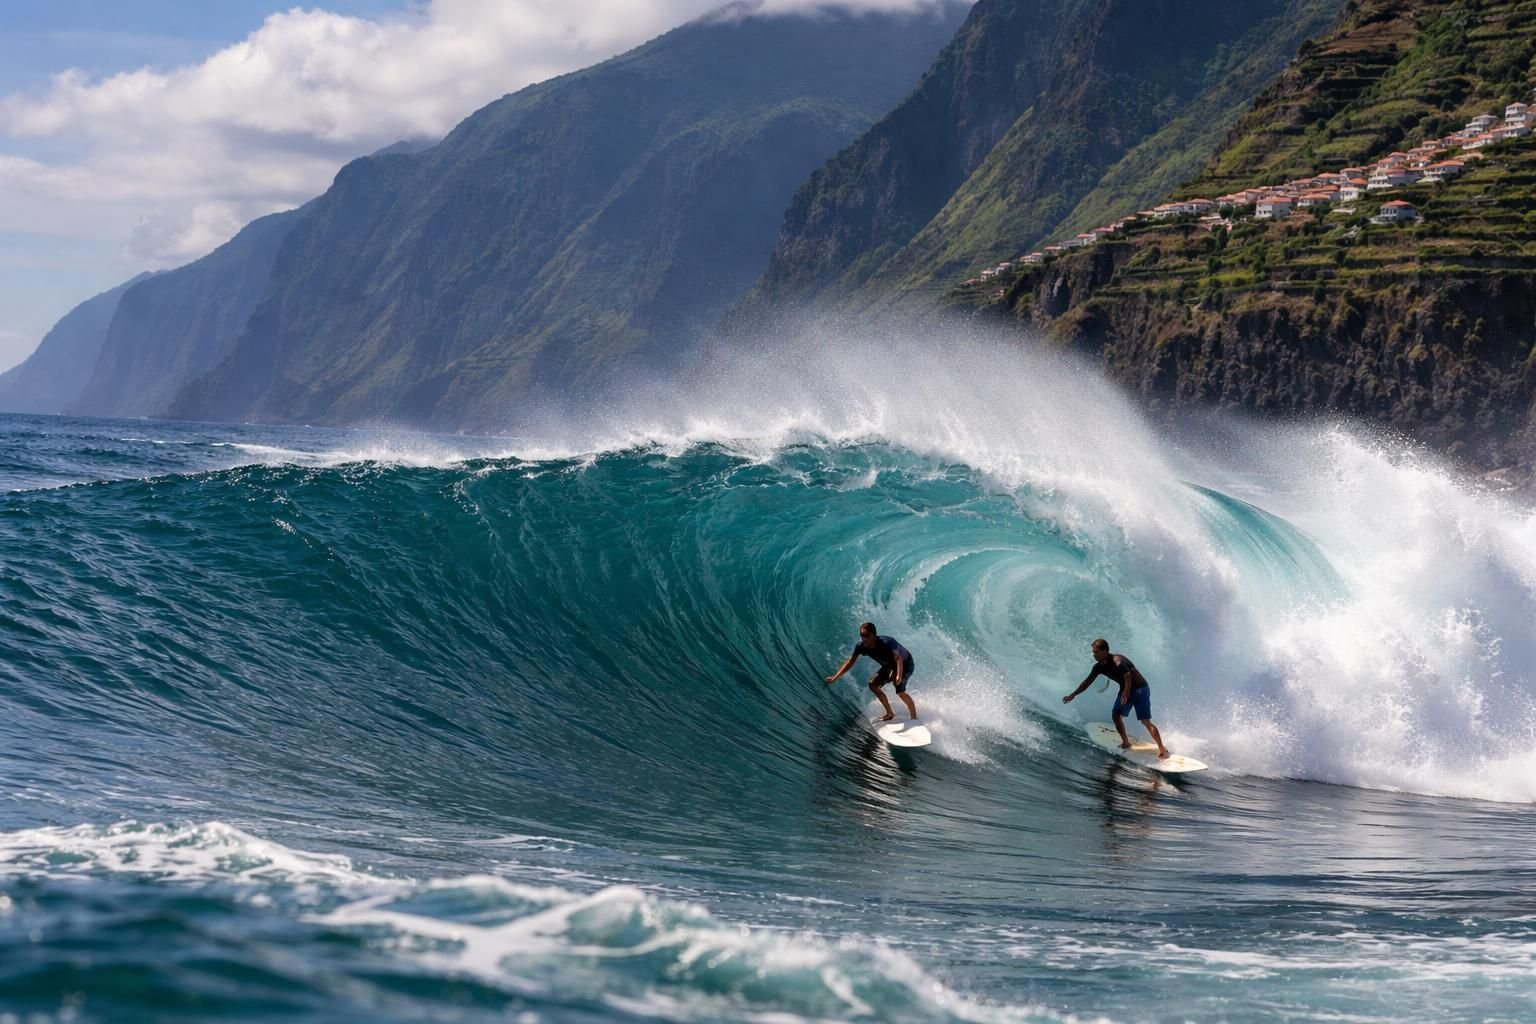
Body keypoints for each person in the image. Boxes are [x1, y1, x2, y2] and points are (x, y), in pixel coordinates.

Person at [1062, 638, 1169, 759]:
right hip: (1136, 689)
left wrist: (1126, 693)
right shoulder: (1098, 667)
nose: (1094, 655)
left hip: (1139, 689)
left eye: (1096, 652)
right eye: (1093, 652)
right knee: (1121, 716)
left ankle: (1158, 747)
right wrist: (1073, 694)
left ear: (1105, 651)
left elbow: (1127, 676)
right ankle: (1132, 743)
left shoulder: (1118, 660)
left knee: (1139, 719)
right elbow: (1086, 682)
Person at [826, 622, 917, 721]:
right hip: (889, 666)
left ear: (874, 635)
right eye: (862, 635)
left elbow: (898, 658)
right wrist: (835, 677)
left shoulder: (886, 642)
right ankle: (890, 713)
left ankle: (914, 717)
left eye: (866, 635)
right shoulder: (861, 646)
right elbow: (850, 662)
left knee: (899, 691)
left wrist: (898, 676)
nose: (864, 638)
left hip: (905, 664)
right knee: (873, 684)